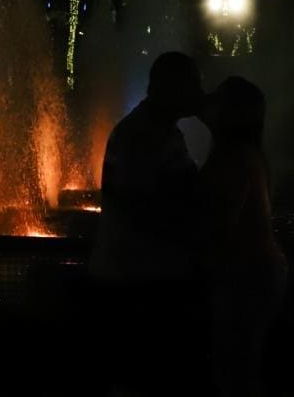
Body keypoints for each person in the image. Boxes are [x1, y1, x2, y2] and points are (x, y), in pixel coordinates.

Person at [90, 51, 209, 394]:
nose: (200, 93)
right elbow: (161, 204)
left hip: (135, 273)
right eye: (193, 84)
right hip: (138, 281)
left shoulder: (154, 130)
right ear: (173, 88)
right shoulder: (146, 135)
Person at [199, 76, 287, 397]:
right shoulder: (250, 153)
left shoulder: (233, 157)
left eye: (216, 100)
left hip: (244, 275)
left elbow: (221, 220)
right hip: (259, 270)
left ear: (230, 112)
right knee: (243, 367)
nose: (206, 103)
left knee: (234, 370)